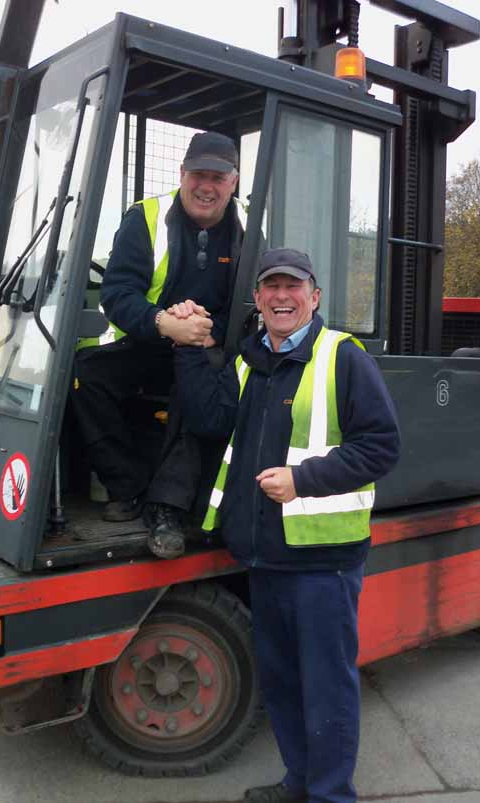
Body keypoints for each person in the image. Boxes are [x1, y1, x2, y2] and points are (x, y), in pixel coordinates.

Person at [173, 247, 401, 803]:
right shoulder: (251, 362)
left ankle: (330, 795)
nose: (281, 296)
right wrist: (187, 348)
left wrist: (304, 480)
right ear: (257, 299)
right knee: (283, 684)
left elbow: (381, 447)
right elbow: (208, 419)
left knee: (327, 688)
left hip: (322, 560)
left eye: (292, 287)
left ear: (314, 297)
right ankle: (299, 782)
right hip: (264, 556)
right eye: (270, 287)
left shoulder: (342, 356)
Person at [73, 132, 245, 559]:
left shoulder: (248, 227)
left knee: (200, 388)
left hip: (206, 344)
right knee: (84, 376)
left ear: (233, 182)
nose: (207, 186)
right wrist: (164, 322)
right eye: (198, 175)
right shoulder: (145, 218)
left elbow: (247, 302)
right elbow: (117, 294)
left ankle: (167, 509)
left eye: (217, 178)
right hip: (148, 338)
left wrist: (207, 330)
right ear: (182, 174)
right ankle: (126, 486)